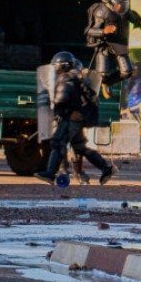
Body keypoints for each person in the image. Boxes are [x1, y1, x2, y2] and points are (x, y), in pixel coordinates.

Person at [35, 51, 115, 185]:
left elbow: (62, 99)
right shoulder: (76, 78)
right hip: (77, 118)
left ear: (63, 65)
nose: (53, 68)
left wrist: (52, 111)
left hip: (70, 118)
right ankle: (106, 168)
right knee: (81, 148)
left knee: (58, 142)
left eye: (55, 65)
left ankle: (50, 173)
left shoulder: (66, 80)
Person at [85, 0, 141, 84]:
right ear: (112, 3)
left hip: (120, 43)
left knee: (127, 72)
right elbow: (89, 31)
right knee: (102, 74)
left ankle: (109, 82)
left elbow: (137, 21)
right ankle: (104, 80)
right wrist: (103, 31)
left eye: (124, 4)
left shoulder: (125, 12)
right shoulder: (101, 12)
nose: (121, 7)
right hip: (105, 44)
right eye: (119, 4)